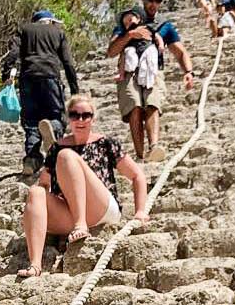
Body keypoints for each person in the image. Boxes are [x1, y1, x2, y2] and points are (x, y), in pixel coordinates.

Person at [18, 94, 149, 277]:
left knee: (66, 156)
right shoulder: (56, 148)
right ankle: (35, 265)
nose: (80, 120)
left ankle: (81, 225)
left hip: (101, 207)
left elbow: (137, 175)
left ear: (92, 118)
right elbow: (44, 183)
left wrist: (140, 210)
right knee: (35, 192)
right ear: (68, 118)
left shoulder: (106, 143)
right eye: (74, 115)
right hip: (69, 210)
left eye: (85, 115)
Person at [107, 0, 195, 162]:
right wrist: (130, 35)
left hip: (153, 69)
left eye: (158, 1)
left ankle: (154, 146)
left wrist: (188, 71)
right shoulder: (128, 20)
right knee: (134, 108)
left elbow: (180, 51)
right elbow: (111, 51)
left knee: (153, 103)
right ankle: (140, 155)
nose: (154, 4)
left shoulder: (165, 25)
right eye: (150, 0)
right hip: (130, 71)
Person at [2, 10, 79, 174]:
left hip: (28, 78)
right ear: (50, 21)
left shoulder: (24, 29)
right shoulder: (58, 33)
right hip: (50, 77)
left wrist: (7, 74)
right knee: (56, 115)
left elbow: (13, 53)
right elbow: (68, 62)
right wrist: (74, 89)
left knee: (31, 121)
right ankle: (52, 128)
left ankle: (31, 160)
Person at [114, 7, 164, 84]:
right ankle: (121, 73)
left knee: (150, 58)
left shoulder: (146, 27)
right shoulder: (126, 35)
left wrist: (161, 44)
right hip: (133, 49)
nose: (129, 23)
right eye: (126, 23)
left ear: (138, 19)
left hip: (146, 47)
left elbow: (156, 35)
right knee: (124, 54)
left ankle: (152, 74)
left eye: (130, 20)